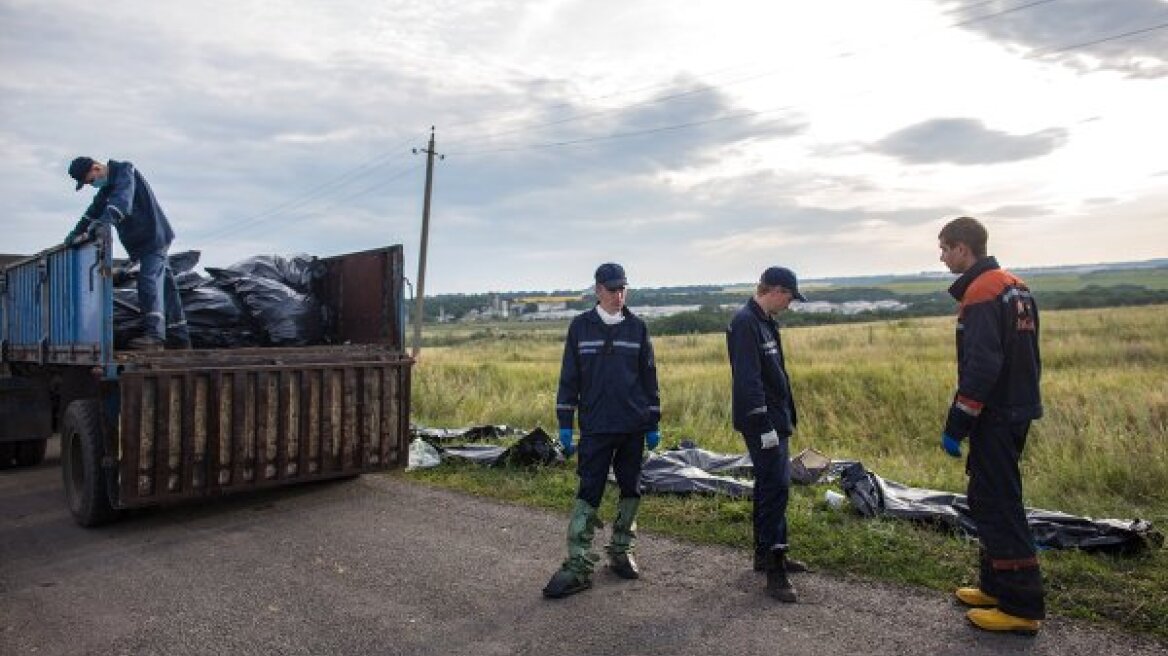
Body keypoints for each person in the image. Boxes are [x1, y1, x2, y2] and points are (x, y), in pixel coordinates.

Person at [937, 216, 1044, 635]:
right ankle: (995, 587)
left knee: (999, 504)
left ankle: (1020, 607)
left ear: (964, 248)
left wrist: (957, 423)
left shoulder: (981, 292)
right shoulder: (1015, 285)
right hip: (1016, 406)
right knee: (987, 497)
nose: (942, 256)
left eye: (945, 248)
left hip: (995, 414)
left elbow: (982, 365)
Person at [543, 262, 662, 599]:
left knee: (631, 488)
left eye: (623, 288)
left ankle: (622, 551)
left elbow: (649, 379)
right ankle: (579, 564)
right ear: (597, 290)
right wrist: (565, 424)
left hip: (632, 427)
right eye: (611, 289)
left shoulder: (637, 328)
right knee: (589, 490)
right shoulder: (580, 328)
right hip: (595, 427)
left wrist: (652, 422)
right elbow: (569, 379)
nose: (618, 295)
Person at [726, 266, 811, 603]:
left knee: (770, 487)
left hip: (775, 420)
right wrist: (764, 428)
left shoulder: (763, 321)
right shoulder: (746, 323)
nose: (790, 303)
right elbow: (748, 380)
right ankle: (776, 573)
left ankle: (766, 554)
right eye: (789, 296)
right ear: (775, 290)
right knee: (776, 489)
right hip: (764, 424)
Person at [66, 156, 190, 351]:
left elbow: (122, 201)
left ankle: (154, 337)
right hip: (140, 244)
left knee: (147, 280)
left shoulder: (125, 171)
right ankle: (180, 339)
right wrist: (77, 232)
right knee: (166, 288)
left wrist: (105, 222)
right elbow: (93, 211)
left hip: (153, 237)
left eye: (90, 181)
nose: (92, 185)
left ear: (96, 168)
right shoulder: (107, 189)